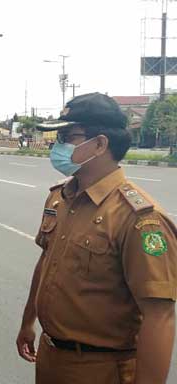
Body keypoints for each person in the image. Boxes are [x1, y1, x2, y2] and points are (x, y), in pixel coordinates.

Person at [16, 93, 177, 384]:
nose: (57, 144)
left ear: (100, 144)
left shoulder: (139, 219)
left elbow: (160, 316)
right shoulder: (60, 197)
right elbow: (46, 262)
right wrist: (29, 321)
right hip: (51, 357)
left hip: (101, 368)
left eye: (67, 136)